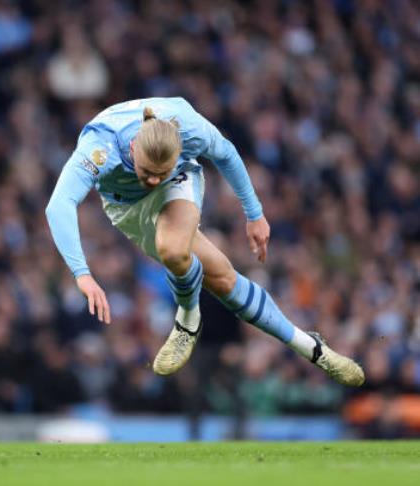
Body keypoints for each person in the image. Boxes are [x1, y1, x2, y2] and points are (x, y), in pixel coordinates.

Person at [45, 97, 364, 387]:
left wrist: (254, 214)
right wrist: (82, 274)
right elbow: (59, 205)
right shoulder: (100, 147)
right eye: (147, 171)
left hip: (178, 184)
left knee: (173, 249)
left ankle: (187, 321)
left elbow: (226, 154)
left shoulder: (188, 127)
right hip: (125, 207)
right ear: (132, 149)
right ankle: (311, 345)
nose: (153, 180)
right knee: (223, 280)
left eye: (159, 172)